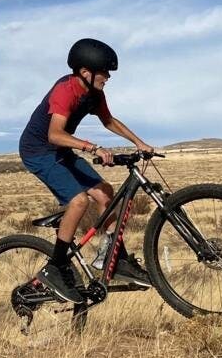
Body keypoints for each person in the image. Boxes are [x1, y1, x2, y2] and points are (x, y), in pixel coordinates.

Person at [17, 38, 156, 302]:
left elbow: (109, 121)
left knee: (105, 193)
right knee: (79, 201)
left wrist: (140, 143)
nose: (107, 77)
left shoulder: (94, 95)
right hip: (38, 151)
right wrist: (92, 148)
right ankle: (55, 269)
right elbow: (55, 134)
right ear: (85, 72)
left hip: (59, 151)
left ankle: (114, 258)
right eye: (104, 72)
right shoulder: (65, 91)